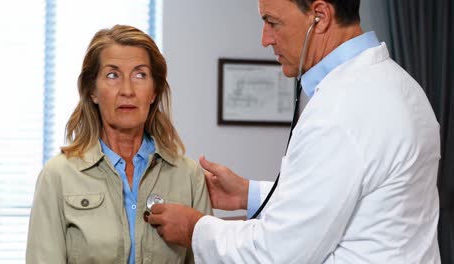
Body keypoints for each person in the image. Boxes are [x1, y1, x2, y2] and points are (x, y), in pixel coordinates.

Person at [147, 0, 441, 263]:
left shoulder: (340, 112)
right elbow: (351, 200)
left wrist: (194, 230)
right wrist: (249, 195)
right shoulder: (403, 87)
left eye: (272, 22)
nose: (264, 39)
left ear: (320, 15)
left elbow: (277, 253)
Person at [26, 25, 212, 264]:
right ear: (92, 90)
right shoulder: (58, 176)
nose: (127, 90)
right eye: (113, 75)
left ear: (154, 91)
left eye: (140, 75)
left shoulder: (189, 176)